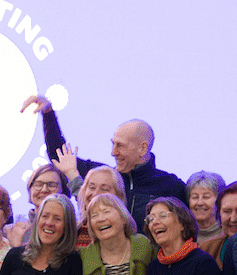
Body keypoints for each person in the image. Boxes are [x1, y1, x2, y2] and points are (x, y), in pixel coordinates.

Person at [24, 94, 184, 226]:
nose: (113, 152)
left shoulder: (171, 186)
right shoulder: (102, 175)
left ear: (142, 148)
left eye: (120, 146)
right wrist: (48, 113)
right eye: (113, 144)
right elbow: (59, 156)